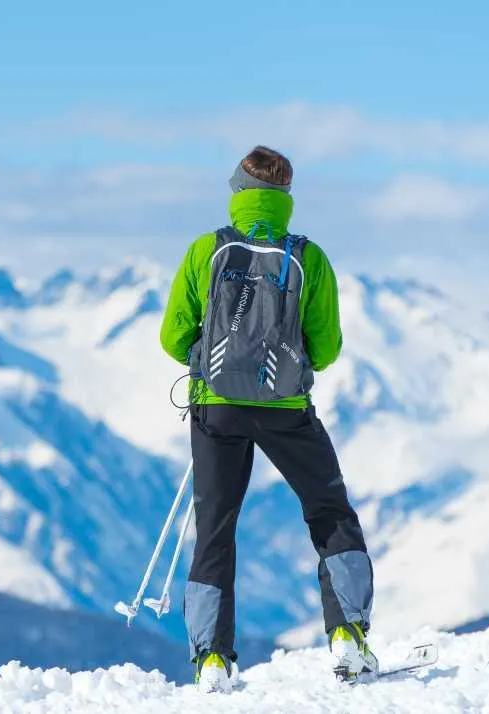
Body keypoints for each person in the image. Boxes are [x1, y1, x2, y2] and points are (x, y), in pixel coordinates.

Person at [159, 146, 377, 693]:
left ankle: (211, 659)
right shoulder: (309, 257)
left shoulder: (206, 251)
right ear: (286, 197)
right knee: (328, 510)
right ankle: (348, 632)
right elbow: (325, 349)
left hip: (217, 408)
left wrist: (210, 363)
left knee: (215, 527)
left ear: (237, 192)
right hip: (286, 410)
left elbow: (172, 337)